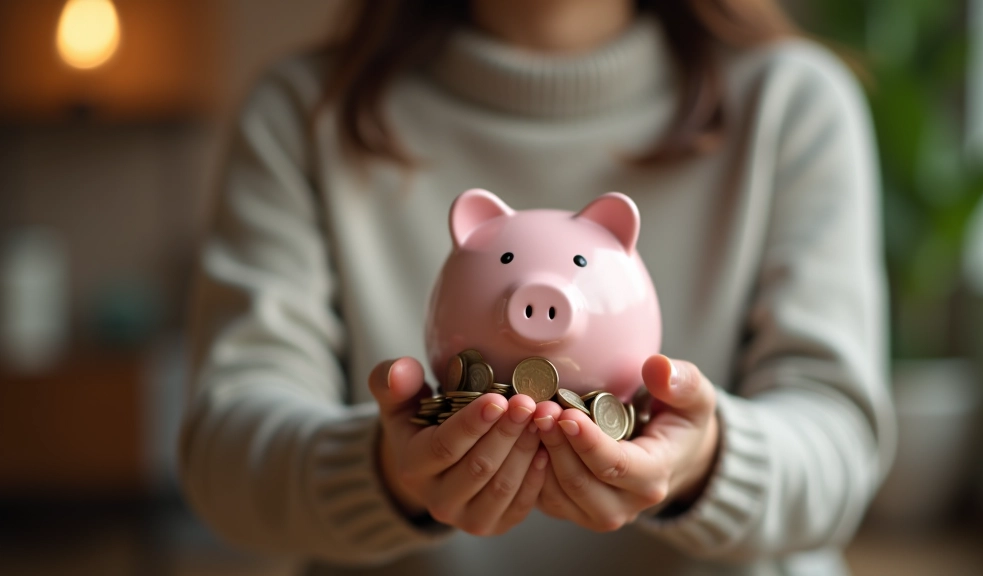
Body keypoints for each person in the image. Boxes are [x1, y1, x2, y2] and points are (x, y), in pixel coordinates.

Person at [179, 0, 896, 574]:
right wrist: (381, 474)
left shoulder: (793, 103)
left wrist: (706, 463)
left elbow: (840, 444)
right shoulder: (305, 113)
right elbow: (224, 462)